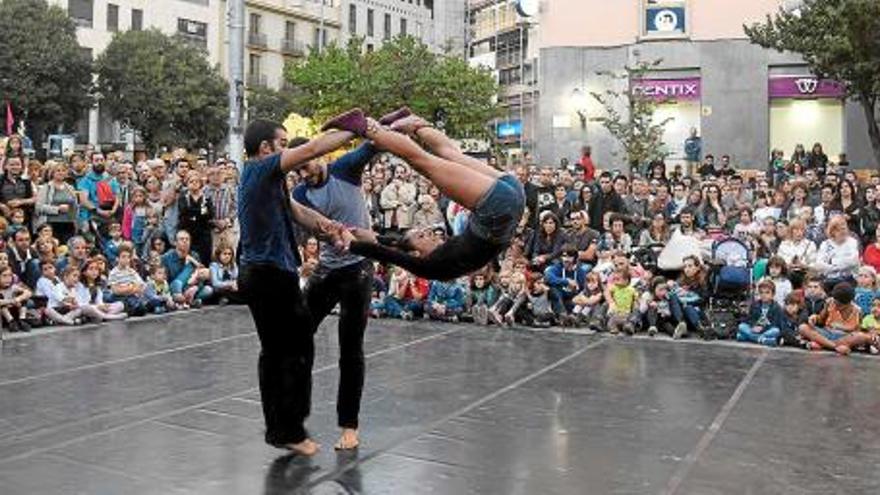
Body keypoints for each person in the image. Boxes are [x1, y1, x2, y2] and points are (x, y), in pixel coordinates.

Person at [238, 118, 354, 456]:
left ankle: (282, 428)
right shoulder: (260, 170)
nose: (289, 149)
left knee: (280, 352)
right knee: (293, 350)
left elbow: (295, 210)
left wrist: (326, 226)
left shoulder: (266, 180)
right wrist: (359, 129)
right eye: (284, 143)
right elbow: (315, 148)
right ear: (266, 149)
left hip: (268, 273)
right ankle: (287, 429)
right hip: (268, 274)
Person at [329, 109, 526, 281]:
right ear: (416, 254)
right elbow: (388, 254)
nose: (429, 232)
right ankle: (364, 126)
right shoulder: (429, 268)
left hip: (511, 197)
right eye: (422, 235)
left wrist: (363, 236)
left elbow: (392, 244)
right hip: (497, 209)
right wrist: (352, 246)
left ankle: (412, 122)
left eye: (422, 232)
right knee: (422, 162)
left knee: (451, 154)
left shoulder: (429, 256)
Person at [291, 134, 380, 451]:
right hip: (327, 270)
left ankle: (349, 427)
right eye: (298, 170)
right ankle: (295, 421)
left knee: (350, 348)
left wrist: (398, 125)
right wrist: (303, 264)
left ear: (317, 153)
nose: (305, 174)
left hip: (357, 269)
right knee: (297, 336)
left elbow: (376, 141)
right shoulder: (300, 193)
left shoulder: (346, 167)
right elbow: (299, 233)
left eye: (306, 166)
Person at [799, 282, 873, 355]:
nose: (837, 307)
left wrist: (843, 328)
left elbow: (857, 332)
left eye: (841, 306)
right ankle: (834, 347)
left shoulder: (858, 311)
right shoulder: (829, 303)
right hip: (826, 333)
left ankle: (823, 344)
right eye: (836, 303)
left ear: (849, 303)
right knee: (803, 327)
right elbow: (820, 320)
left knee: (861, 336)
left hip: (844, 337)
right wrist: (814, 318)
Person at [736, 279, 784, 347]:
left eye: (767, 292)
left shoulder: (776, 307)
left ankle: (749, 338)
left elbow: (776, 323)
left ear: (773, 294)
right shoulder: (755, 304)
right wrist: (753, 327)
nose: (764, 295)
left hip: (767, 330)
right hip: (754, 329)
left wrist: (763, 328)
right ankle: (762, 340)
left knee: (776, 331)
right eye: (761, 292)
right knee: (741, 326)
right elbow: (749, 319)